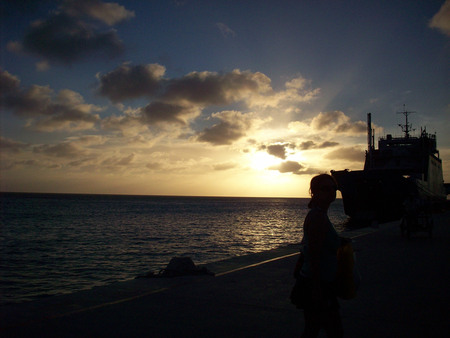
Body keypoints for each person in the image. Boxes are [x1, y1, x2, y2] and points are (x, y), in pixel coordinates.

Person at [299, 174, 343, 338]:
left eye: (334, 188)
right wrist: (317, 290)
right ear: (314, 192)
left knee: (313, 328)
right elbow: (314, 255)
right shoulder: (318, 217)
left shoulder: (320, 215)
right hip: (318, 284)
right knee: (334, 331)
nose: (331, 192)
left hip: (318, 282)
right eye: (325, 188)